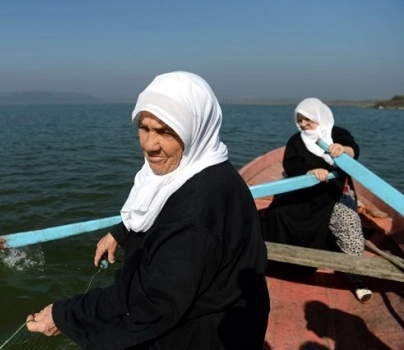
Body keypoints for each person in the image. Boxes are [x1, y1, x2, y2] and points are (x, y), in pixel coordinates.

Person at [26, 71, 270, 349]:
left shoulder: (194, 215)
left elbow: (149, 303)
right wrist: (121, 232)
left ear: (196, 128)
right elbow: (153, 206)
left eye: (166, 131)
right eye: (144, 127)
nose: (149, 145)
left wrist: (63, 315)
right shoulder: (206, 167)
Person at [260, 97, 372, 303]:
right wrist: (310, 171)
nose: (303, 124)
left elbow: (353, 149)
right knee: (278, 213)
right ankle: (279, 262)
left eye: (307, 119)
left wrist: (343, 150)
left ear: (319, 117)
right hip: (304, 190)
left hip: (334, 192)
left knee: (348, 226)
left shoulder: (337, 134)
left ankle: (358, 279)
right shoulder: (296, 140)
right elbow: (291, 165)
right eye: (299, 119)